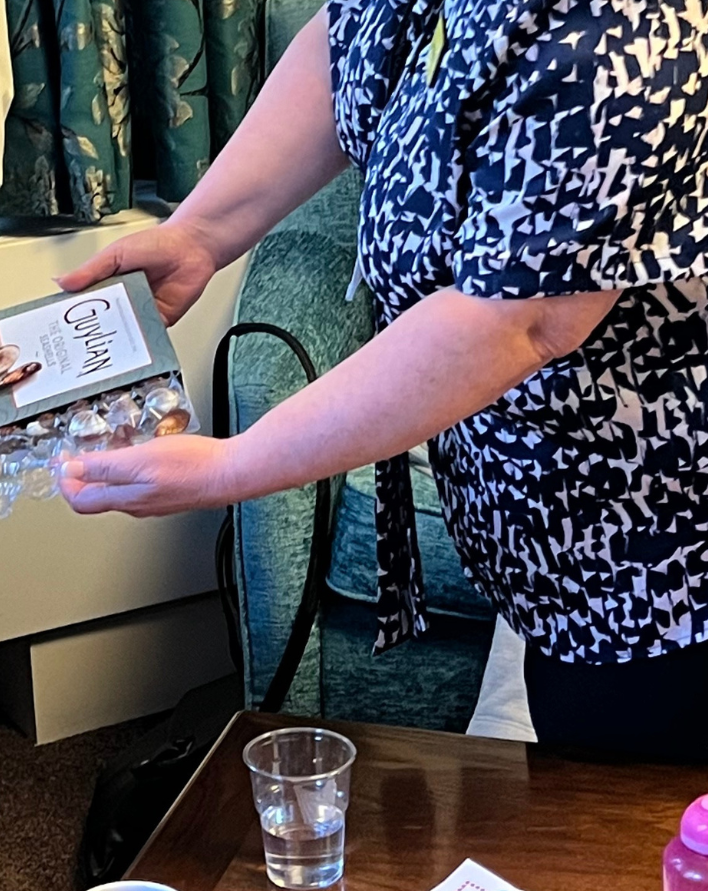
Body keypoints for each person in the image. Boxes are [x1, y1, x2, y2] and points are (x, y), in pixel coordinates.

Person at [56, 0, 708, 761]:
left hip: (659, 560)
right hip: (559, 542)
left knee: (635, 823)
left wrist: (238, 463)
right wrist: (200, 233)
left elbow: (517, 320)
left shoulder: (636, 27)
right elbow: (344, 46)